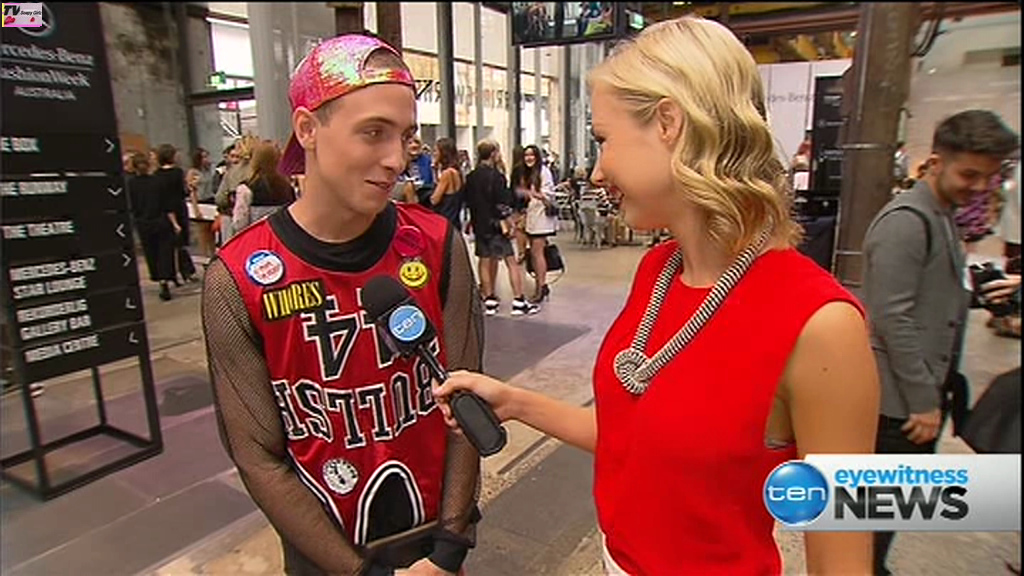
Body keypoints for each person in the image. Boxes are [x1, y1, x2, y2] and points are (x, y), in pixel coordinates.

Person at [435, 16, 879, 575]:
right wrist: (517, 403)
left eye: (604, 140)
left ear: (669, 123)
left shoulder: (821, 326)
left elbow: (843, 560)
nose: (597, 171)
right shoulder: (658, 271)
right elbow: (640, 440)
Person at [202, 34, 482, 576]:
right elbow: (257, 454)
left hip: (433, 549)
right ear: (307, 129)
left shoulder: (435, 244)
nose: (396, 159)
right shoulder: (238, 278)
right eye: (373, 132)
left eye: (406, 137)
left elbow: (467, 402)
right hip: (325, 556)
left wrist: (449, 547)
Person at [862, 109, 1020, 575]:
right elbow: (892, 317)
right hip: (898, 405)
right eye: (969, 175)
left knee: (889, 515)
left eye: (988, 177)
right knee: (872, 520)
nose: (979, 187)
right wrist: (922, 400)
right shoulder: (907, 222)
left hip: (920, 393)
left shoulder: (942, 214)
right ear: (935, 162)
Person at [464, 139, 538, 316]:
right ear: (493, 154)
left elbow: (469, 201)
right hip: (497, 225)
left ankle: (489, 300)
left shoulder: (471, 176)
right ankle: (518, 300)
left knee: (484, 261)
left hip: (480, 224)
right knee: (511, 262)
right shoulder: (497, 176)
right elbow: (502, 202)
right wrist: (510, 222)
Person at [128, 151, 178, 301]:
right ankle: (165, 280)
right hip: (161, 221)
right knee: (165, 252)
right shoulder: (158, 182)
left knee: (151, 253)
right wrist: (175, 223)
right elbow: (167, 205)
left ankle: (157, 276)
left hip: (143, 224)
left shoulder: (131, 184)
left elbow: (131, 207)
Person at [152, 144, 198, 284]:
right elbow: (182, 192)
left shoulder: (156, 175)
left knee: (167, 247)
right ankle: (187, 271)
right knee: (181, 244)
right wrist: (190, 188)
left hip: (163, 212)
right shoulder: (177, 172)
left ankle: (170, 276)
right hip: (178, 209)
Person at [231, 142, 295, 232]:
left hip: (257, 236)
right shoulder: (288, 187)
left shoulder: (246, 189)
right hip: (282, 235)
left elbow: (239, 223)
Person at [428, 137, 465, 229]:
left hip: (445, 221)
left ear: (443, 153)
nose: (434, 154)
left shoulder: (447, 174)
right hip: (455, 221)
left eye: (436, 151)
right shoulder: (457, 172)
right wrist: (435, 171)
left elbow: (434, 199)